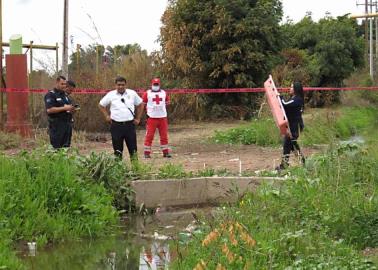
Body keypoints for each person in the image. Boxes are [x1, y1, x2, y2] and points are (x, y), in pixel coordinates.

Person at [98, 76, 143, 160]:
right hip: (116, 126)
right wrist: (107, 116)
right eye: (119, 85)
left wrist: (138, 118)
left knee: (133, 149)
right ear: (115, 85)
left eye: (122, 85)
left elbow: (140, 104)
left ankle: (136, 168)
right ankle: (118, 170)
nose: (121, 87)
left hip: (129, 125)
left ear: (126, 85)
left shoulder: (132, 93)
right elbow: (101, 105)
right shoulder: (111, 94)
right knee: (117, 151)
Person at [277, 81, 305, 170]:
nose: (290, 88)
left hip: (294, 127)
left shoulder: (297, 99)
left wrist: (279, 97)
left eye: (292, 87)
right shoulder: (294, 98)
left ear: (296, 89)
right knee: (292, 145)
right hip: (292, 125)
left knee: (288, 145)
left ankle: (284, 165)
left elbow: (285, 105)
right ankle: (302, 161)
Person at [142, 78, 171, 158]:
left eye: (157, 84)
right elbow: (143, 105)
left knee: (164, 136)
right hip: (151, 118)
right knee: (149, 135)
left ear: (159, 84)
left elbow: (167, 104)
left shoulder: (164, 93)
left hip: (162, 117)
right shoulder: (147, 93)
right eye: (154, 84)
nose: (156, 86)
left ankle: (166, 152)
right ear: (152, 84)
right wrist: (146, 114)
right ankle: (146, 153)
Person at [44, 75, 75, 149]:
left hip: (67, 125)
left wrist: (72, 109)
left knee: (66, 148)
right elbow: (49, 110)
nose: (64, 86)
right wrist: (64, 108)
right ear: (57, 83)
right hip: (57, 125)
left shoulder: (65, 96)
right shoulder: (51, 95)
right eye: (62, 84)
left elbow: (67, 108)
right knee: (57, 149)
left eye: (65, 84)